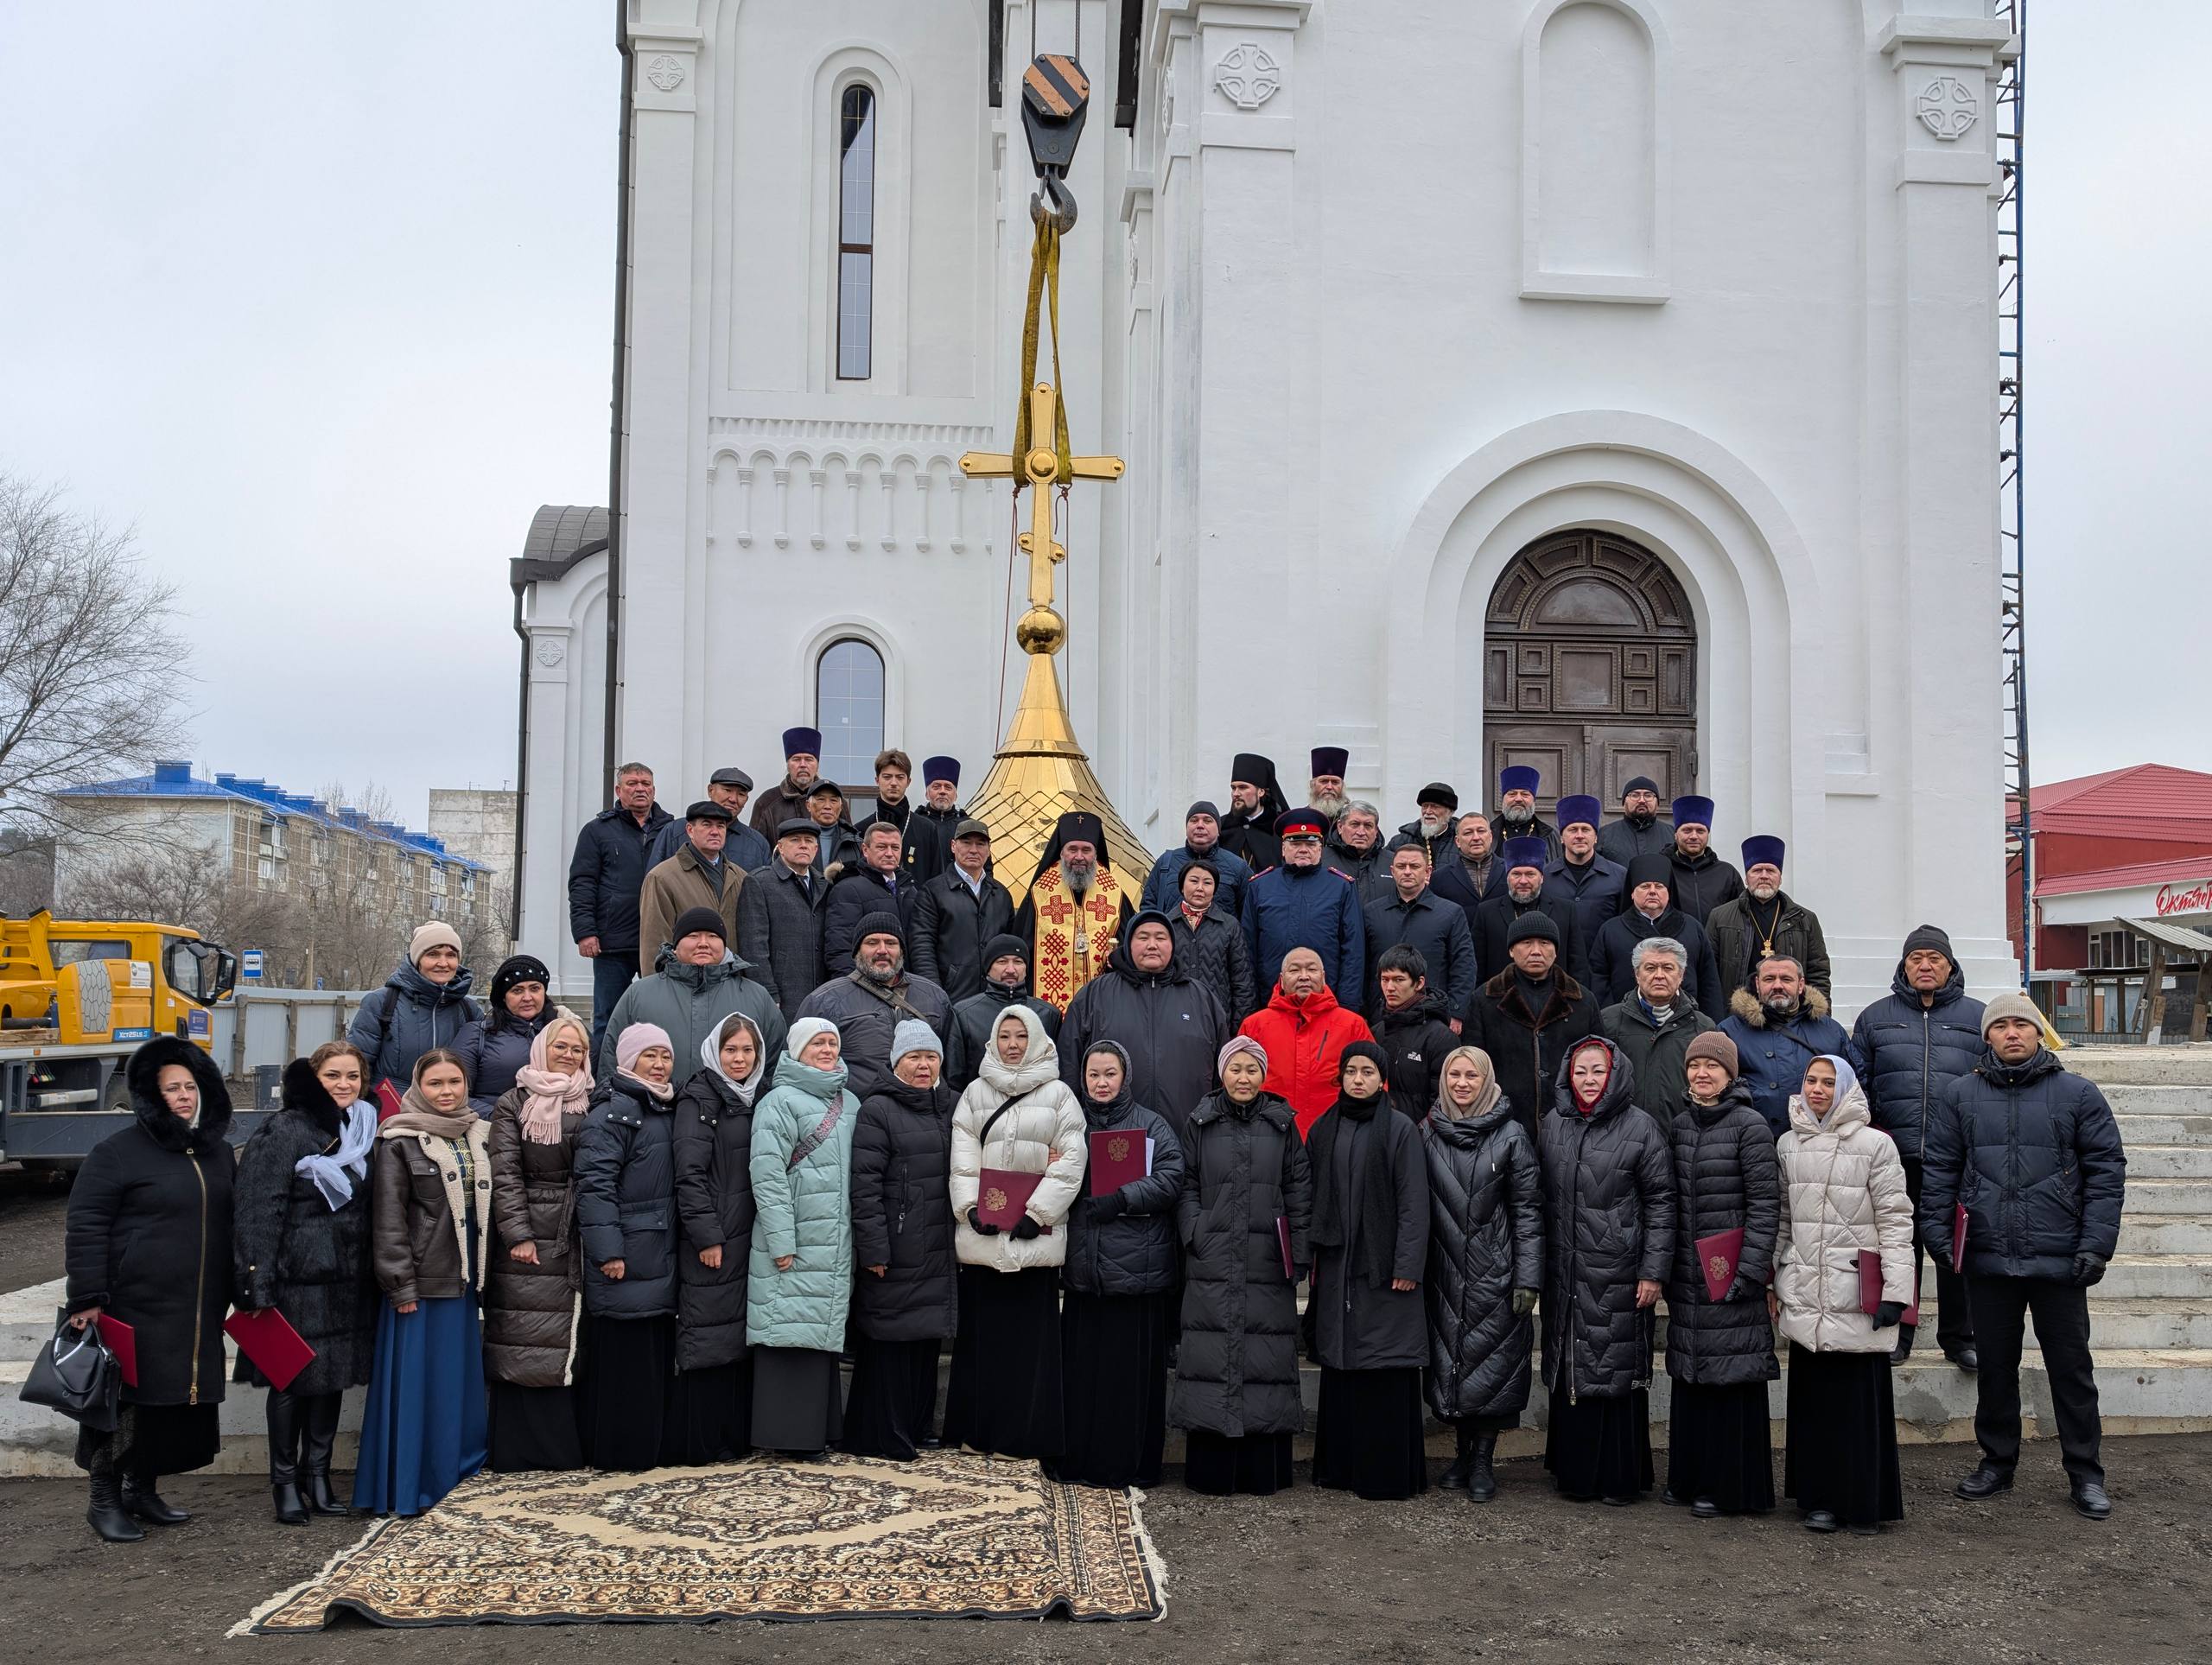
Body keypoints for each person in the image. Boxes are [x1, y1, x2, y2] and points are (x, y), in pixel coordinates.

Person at [1923, 994, 2126, 1522]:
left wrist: (2095, 1245)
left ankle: (2085, 1473)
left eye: (2023, 1024)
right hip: (1989, 1260)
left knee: (2071, 1370)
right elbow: (1941, 1171)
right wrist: (1939, 1238)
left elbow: (2107, 1173)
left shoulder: (2079, 1094)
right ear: (1986, 1036)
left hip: (2059, 1260)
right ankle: (1997, 1462)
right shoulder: (1959, 1095)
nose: (2012, 1033)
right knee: (1994, 1369)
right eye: (2001, 1026)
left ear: (2040, 1033)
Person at [64, 1037, 237, 1542]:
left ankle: (142, 1489)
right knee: (123, 1404)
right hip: (133, 1303)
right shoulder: (117, 1152)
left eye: (190, 1087)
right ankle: (104, 1498)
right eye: (171, 1089)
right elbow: (87, 1224)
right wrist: (87, 1297)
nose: (184, 1096)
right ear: (150, 1095)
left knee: (169, 1403)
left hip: (196, 1304)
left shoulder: (218, 1152)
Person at [232, 1040, 380, 1522]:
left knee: (331, 1380)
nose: (344, 1085)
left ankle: (319, 1475)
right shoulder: (284, 1131)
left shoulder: (362, 1129)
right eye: (334, 1076)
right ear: (314, 1079)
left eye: (353, 1077)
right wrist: (256, 1284)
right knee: (291, 1382)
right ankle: (285, 1482)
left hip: (344, 1278)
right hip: (296, 1279)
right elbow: (258, 1209)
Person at [944, 1004, 1087, 1460]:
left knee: (1029, 1347)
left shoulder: (1061, 1095)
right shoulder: (974, 1093)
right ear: (992, 1041)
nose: (1012, 1044)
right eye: (1004, 1036)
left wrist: (1038, 1212)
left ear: (1038, 1041)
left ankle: (1022, 1437)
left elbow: (1070, 1161)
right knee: (983, 1343)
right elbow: (963, 1155)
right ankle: (977, 1432)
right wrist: (969, 1208)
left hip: (1034, 1239)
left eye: (1020, 1036)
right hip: (984, 1238)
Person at [1775, 1055, 1910, 1534]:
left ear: (1846, 1088)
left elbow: (1895, 1219)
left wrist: (1897, 1291)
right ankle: (1819, 1498)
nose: (1817, 1090)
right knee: (1814, 1402)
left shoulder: (1876, 1145)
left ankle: (1863, 1501)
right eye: (1811, 1080)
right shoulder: (1789, 1144)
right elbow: (1785, 1223)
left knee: (1857, 1402)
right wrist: (1778, 1278)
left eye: (1828, 1082)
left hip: (1856, 1289)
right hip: (1808, 1289)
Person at [1173, 1037, 1313, 1496]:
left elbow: (1299, 1188)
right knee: (1212, 1355)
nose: (1244, 1078)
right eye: (1236, 1069)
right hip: (1211, 1256)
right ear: (1221, 1073)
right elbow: (1186, 1182)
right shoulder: (1200, 1121)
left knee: (1264, 1358)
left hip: (1267, 1259)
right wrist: (1195, 1228)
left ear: (1264, 1074)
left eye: (1252, 1069)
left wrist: (1300, 1249)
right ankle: (1213, 1472)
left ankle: (1260, 1472)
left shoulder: (1282, 1124)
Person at [1538, 1037, 1675, 1505]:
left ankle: (1618, 1477)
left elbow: (1661, 1203)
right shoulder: (1552, 1124)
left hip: (1620, 1268)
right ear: (1567, 1075)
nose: (1590, 1080)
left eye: (1598, 1071)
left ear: (1615, 1074)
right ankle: (1574, 1473)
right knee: (1572, 1366)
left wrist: (1653, 1271)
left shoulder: (1642, 1128)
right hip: (1566, 1269)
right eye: (1580, 1072)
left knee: (1614, 1369)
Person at [358, 1049, 490, 1515]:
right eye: (436, 1084)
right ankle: (412, 1483)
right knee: (418, 1388)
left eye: (455, 1082)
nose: (447, 1092)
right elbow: (389, 1221)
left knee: (455, 1385)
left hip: (463, 1281)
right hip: (420, 1286)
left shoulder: (478, 1134)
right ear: (418, 1088)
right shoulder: (398, 1141)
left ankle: (457, 1475)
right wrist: (400, 1286)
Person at [1849, 924, 1986, 1369]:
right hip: (1894, 1156)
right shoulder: (1875, 1018)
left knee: (1952, 1248)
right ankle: (1900, 1331)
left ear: (1950, 966)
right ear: (1904, 966)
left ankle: (1958, 1337)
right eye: (1916, 959)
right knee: (1899, 1246)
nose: (1925, 966)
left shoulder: (1977, 1018)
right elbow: (1859, 1085)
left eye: (1935, 959)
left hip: (1955, 1157)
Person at [1054, 1039, 1188, 1489]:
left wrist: (1123, 1199)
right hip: (1084, 1270)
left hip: (1137, 1272)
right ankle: (1079, 1462)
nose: (1102, 1082)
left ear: (1125, 1076)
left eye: (1110, 1074)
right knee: (1083, 1375)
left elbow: (1172, 1178)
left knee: (1128, 1380)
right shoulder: (1068, 1124)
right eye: (1094, 1074)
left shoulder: (1152, 1125)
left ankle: (1130, 1465)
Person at [1662, 1031, 1780, 1518]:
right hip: (1690, 1278)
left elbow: (1765, 1204)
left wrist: (1750, 1272)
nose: (1702, 1074)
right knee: (1692, 1377)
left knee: (1731, 1379)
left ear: (1731, 1075)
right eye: (1695, 1066)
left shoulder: (1749, 1125)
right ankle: (1690, 1477)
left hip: (1733, 1278)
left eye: (1713, 1066)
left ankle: (1729, 1485)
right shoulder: (1680, 1126)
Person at [1307, 1042, 1432, 1501]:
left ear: (1383, 1081)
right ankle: (1341, 1468)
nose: (1358, 1079)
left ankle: (1385, 1474)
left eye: (1367, 1072)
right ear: (1340, 1078)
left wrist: (1406, 1264)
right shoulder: (1325, 1128)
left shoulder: (1399, 1130)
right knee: (1343, 1363)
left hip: (1384, 1268)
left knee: (1385, 1365)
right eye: (1351, 1071)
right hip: (1340, 1264)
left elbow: (1414, 1202)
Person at [1421, 1045, 1541, 1504]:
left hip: (1496, 1271)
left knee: (1492, 1367)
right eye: (1455, 1075)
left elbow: (1528, 1209)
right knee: (1452, 1363)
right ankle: (1461, 1453)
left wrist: (1527, 1276)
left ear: (1487, 1080)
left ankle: (1483, 1460)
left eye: (1472, 1076)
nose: (1462, 1084)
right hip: (1443, 1270)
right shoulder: (1427, 1132)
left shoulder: (1510, 1136)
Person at [483, 1012, 594, 1473]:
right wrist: (519, 1234)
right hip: (530, 1234)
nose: (568, 1056)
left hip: (577, 1229)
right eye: (560, 1046)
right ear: (541, 1049)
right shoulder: (514, 1102)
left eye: (577, 1049)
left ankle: (562, 1447)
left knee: (564, 1340)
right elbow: (504, 1173)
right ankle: (517, 1449)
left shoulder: (593, 1099)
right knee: (523, 1336)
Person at [746, 1017, 860, 1457]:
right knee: (787, 1328)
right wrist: (781, 1240)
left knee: (820, 1332)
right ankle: (786, 1434)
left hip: (834, 1237)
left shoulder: (849, 1102)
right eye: (817, 1043)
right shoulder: (779, 1102)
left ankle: (817, 1429)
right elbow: (768, 1174)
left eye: (832, 1042)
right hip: (794, 1237)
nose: (827, 1049)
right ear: (797, 1050)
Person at [846, 1020, 959, 1460]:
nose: (923, 1065)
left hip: (939, 1245)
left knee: (926, 1341)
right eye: (914, 1058)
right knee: (890, 1340)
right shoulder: (878, 1109)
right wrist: (873, 1246)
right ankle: (881, 1432)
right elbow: (865, 1184)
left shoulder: (948, 1105)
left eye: (930, 1057)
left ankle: (916, 1426)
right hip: (896, 1246)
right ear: (897, 1063)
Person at [575, 1024, 681, 1471]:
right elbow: (594, 1186)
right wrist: (609, 1251)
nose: (659, 1065)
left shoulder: (664, 1107)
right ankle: (619, 1451)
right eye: (649, 1056)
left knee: (651, 1352)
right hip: (628, 1254)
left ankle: (648, 1447)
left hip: (659, 1251)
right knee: (623, 1352)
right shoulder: (614, 1113)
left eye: (666, 1056)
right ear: (628, 1060)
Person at [670, 1012, 766, 1464]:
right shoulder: (700, 1098)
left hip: (750, 1234)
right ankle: (701, 1440)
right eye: (732, 1050)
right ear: (715, 1052)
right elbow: (689, 1174)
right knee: (706, 1333)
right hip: (713, 1237)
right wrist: (707, 1235)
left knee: (736, 1334)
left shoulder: (758, 1097)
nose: (740, 1058)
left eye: (748, 1050)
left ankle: (735, 1436)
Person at [1057, 909, 1228, 1143]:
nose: (1152, 945)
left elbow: (1224, 1069)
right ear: (1128, 944)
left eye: (1160, 937)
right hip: (1113, 1138)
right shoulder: (1095, 996)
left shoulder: (1201, 998)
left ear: (1172, 944)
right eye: (1143, 937)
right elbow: (1070, 1064)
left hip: (1191, 1135)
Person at [601, 906, 786, 1086]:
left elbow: (775, 1061)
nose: (703, 943)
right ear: (676, 946)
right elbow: (611, 1057)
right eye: (693, 936)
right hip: (654, 1112)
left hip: (734, 1114)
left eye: (713, 936)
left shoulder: (756, 997)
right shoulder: (639, 994)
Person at [1463, 913, 1600, 1143]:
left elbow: (1600, 1063)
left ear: (1556, 951)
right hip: (1504, 1124)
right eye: (1526, 943)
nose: (1536, 950)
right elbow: (1473, 1064)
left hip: (1570, 1124)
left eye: (1545, 943)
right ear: (1511, 950)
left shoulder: (1582, 1000)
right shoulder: (1485, 999)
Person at [569, 762, 674, 1058]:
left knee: (660, 1015)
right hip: (612, 941)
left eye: (645, 783)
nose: (639, 788)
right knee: (609, 1016)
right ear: (618, 790)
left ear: (653, 789)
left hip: (659, 941)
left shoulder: (673, 829)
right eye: (632, 783)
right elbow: (582, 883)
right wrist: (585, 932)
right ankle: (606, 1081)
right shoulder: (597, 831)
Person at [795, 912, 953, 1103]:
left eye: (891, 943)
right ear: (857, 952)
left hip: (924, 1115)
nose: (882, 950)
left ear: (902, 951)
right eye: (872, 943)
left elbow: (953, 1068)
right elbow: (800, 1069)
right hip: (856, 1115)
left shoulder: (935, 997)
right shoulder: (824, 1001)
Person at [1238, 945, 1374, 1138]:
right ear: (1282, 980)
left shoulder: (1352, 1025)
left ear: (1324, 977)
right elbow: (1235, 1083)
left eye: (1312, 969)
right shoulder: (1254, 1026)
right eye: (1294, 970)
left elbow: (1375, 1081)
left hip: (1336, 1134)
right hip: (1269, 1135)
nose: (1304, 976)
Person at [1013, 810, 1137, 1013]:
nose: (1079, 857)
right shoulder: (1040, 893)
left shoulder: (1113, 893)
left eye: (1086, 850)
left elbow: (1131, 945)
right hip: (1049, 1010)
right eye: (1072, 849)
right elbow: (1022, 947)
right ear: (1061, 852)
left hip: (1104, 1004)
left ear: (1096, 854)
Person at [1722, 955, 1855, 1139]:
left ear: (1801, 985)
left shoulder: (1831, 1031)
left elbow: (1855, 1085)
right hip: (1753, 1142)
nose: (1777, 985)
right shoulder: (1730, 1031)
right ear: (1757, 984)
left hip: (1818, 1143)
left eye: (1786, 979)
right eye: (1769, 979)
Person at [349, 922, 483, 1099]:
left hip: (449, 1114)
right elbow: (356, 1066)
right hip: (394, 1113)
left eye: (451, 955)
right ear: (417, 959)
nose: (443, 963)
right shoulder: (382, 1002)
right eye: (433, 954)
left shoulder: (469, 1010)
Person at [1243, 807, 1365, 998]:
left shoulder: (1341, 887)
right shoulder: (1260, 886)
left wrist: (1348, 1004)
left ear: (1320, 848)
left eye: (1310, 843)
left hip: (1326, 999)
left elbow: (1353, 951)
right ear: (1283, 848)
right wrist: (1251, 1004)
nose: (1303, 849)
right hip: (1272, 999)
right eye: (1295, 843)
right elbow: (1247, 951)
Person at [1589, 855, 1725, 1019]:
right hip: (1625, 1022)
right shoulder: (1610, 930)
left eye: (1659, 886)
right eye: (1645, 886)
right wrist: (1612, 1018)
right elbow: (1598, 981)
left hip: (1685, 1022)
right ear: (1632, 893)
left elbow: (1709, 981)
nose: (1652, 891)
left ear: (1669, 892)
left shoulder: (1692, 927)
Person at [1599, 937, 1718, 1122]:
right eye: (1650, 968)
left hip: (1683, 1137)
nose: (1659, 975)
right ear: (1637, 974)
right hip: (1623, 1138)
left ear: (1681, 975)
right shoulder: (1608, 1022)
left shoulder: (1703, 1028)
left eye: (1668, 968)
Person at [1706, 836, 1831, 999]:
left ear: (1780, 878)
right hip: (1737, 1011)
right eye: (1757, 871)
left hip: (1789, 1010)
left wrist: (1819, 1017)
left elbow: (1818, 972)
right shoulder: (1720, 917)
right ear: (1746, 878)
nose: (1764, 876)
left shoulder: (1805, 919)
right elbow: (1709, 973)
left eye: (1771, 871)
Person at [1364, 843, 1477, 1020]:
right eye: (1401, 867)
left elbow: (1464, 965)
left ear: (1428, 872)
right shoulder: (1372, 912)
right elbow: (1362, 965)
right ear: (1393, 872)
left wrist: (1456, 1012)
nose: (1407, 871)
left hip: (1433, 1015)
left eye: (1415, 866)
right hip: (1382, 1015)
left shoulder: (1450, 913)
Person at [908, 816, 1014, 1001]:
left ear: (989, 850)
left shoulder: (1001, 895)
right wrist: (935, 994)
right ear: (953, 846)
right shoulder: (933, 891)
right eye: (966, 843)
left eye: (981, 844)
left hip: (995, 997)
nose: (973, 850)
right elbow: (922, 948)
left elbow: (1010, 946)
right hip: (951, 998)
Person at [734, 818, 829, 1022]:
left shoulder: (824, 885)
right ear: (780, 847)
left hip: (820, 994)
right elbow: (753, 947)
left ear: (816, 848)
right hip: (782, 996)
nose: (803, 845)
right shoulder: (760, 882)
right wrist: (768, 992)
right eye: (795, 840)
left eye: (809, 840)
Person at [944, 934, 1063, 1093]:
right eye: (1002, 962)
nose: (1011, 969)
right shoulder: (964, 1014)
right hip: (983, 1109)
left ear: (1026, 969)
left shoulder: (1048, 1014)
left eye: (1018, 962)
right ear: (988, 967)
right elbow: (955, 1079)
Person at [638, 799, 747, 964]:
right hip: (684, 982)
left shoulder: (741, 877)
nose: (715, 831)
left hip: (729, 981)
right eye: (707, 825)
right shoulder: (661, 877)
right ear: (690, 830)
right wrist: (659, 986)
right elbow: (654, 943)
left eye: (721, 826)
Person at [454, 953, 556, 1115]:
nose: (527, 997)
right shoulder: (476, 1034)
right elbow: (456, 1095)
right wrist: (505, 1119)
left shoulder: (568, 1032)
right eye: (517, 991)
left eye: (535, 988)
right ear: (503, 998)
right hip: (493, 1129)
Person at [1370, 945, 1461, 1114]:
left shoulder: (1441, 1037)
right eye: (1385, 979)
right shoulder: (1376, 1032)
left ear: (1419, 983)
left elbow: (1445, 1102)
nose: (1389, 987)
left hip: (1421, 1135)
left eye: (1399, 979)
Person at [1169, 858, 1259, 1024]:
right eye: (1194, 881)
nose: (1200, 888)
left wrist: (1239, 1027)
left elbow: (1242, 981)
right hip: (1173, 1018)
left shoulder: (1229, 925)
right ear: (1182, 886)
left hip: (1217, 1019)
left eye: (1207, 883)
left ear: (1215, 889)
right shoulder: (1166, 925)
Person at [1141, 800, 1258, 920]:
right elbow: (1148, 908)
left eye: (1207, 821)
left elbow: (1251, 916)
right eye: (1194, 820)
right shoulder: (1166, 863)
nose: (1200, 825)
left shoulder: (1238, 867)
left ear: (1218, 830)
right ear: (1186, 828)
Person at [823, 820, 916, 970]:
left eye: (895, 848)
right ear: (865, 850)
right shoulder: (847, 889)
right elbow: (840, 950)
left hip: (905, 984)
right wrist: (853, 992)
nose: (889, 853)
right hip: (866, 987)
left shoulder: (910, 890)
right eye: (881, 847)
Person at [1543, 796, 1628, 954]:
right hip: (1558, 967)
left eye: (1586, 829)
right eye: (1573, 830)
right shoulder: (1545, 877)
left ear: (1595, 837)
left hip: (1602, 966)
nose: (1580, 835)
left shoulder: (1619, 876)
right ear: (1562, 837)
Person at [647, 766, 771, 874]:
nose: (733, 799)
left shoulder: (757, 844)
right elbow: (655, 882)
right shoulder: (674, 832)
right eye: (727, 790)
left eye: (741, 794)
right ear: (710, 790)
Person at [1666, 796, 1743, 926]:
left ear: (1708, 834)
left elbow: (1741, 913)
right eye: (1687, 830)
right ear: (1676, 834)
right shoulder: (1663, 869)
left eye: (1700, 831)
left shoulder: (1727, 873)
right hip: (1675, 944)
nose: (1694, 836)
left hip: (1717, 945)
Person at [898, 756, 966, 885]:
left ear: (955, 795)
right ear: (927, 793)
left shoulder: (966, 826)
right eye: (936, 787)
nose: (942, 792)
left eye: (948, 787)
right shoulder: (913, 824)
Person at [748, 726, 824, 840]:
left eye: (809, 759)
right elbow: (756, 848)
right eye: (796, 759)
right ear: (787, 765)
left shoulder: (834, 800)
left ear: (817, 765)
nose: (803, 765)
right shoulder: (766, 802)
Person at [1430, 810, 1504, 925]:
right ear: (1458, 841)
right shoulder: (1440, 878)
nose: (1476, 837)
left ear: (1490, 837)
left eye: (1481, 831)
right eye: (1468, 833)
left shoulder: (1510, 871)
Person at [1218, 753, 1287, 874]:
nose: (1236, 793)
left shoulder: (1279, 829)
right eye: (1233, 788)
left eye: (1243, 787)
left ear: (1260, 792)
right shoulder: (1221, 826)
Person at [1597, 776, 1673, 867]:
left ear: (1657, 803)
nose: (1641, 800)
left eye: (1648, 795)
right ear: (1624, 802)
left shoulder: (1672, 833)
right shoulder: (1604, 834)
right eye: (1635, 795)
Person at [1325, 801, 1391, 903]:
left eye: (1368, 826)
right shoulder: (1321, 860)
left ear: (1376, 830)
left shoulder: (1393, 863)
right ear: (1340, 827)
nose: (1361, 832)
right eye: (1355, 824)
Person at [1491, 767, 1560, 864]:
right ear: (1503, 800)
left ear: (1533, 800)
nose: (1518, 799)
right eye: (1512, 794)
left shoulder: (1552, 833)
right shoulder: (1489, 832)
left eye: (1525, 794)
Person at [1392, 782, 1461, 872]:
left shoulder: (1462, 839)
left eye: (1435, 807)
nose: (1428, 812)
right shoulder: (1401, 840)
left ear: (1450, 812)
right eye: (1425, 806)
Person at [804, 778, 865, 877]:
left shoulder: (855, 842)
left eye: (833, 800)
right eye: (821, 799)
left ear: (841, 807)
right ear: (808, 805)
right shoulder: (794, 838)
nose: (827, 806)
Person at [853, 747, 913, 838]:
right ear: (877, 780)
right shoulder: (860, 831)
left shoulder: (927, 829)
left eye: (900, 777)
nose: (893, 783)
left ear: (908, 782)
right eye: (887, 777)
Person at [1307, 745, 1351, 817]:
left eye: (1335, 782)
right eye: (1324, 781)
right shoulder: (1301, 820)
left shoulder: (1353, 819)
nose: (1329, 787)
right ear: (1312, 785)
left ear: (1342, 787)